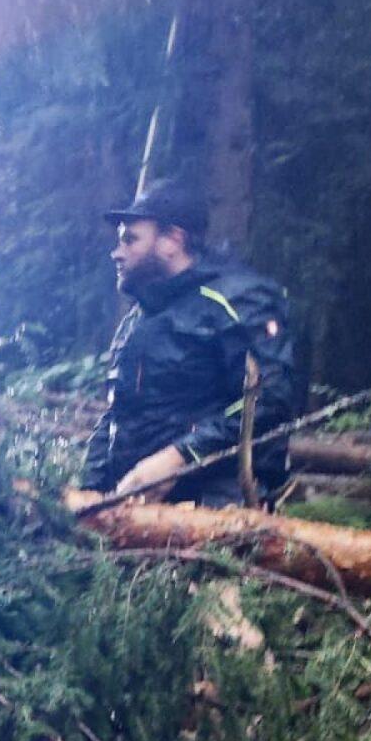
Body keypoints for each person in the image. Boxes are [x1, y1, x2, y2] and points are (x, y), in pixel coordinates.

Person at [82, 179, 302, 507]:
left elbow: (270, 401)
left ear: (172, 240)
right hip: (132, 508)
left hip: (218, 507)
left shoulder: (240, 300)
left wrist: (180, 457)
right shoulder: (142, 316)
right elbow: (119, 412)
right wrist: (93, 487)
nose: (117, 253)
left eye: (131, 240)